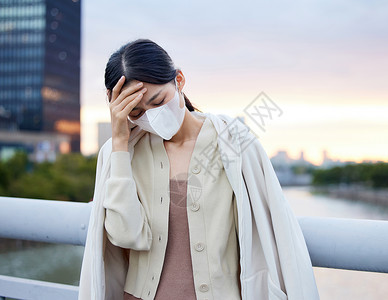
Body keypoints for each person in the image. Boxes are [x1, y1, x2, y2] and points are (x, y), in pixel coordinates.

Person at [78, 38, 320, 300]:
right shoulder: (121, 153)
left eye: (158, 101)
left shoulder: (232, 142)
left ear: (179, 80)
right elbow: (126, 236)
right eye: (136, 112)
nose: (151, 116)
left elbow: (276, 232)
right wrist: (120, 145)